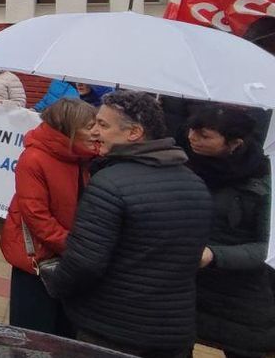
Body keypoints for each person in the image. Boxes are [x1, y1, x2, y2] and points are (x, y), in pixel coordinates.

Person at [41, 91, 213, 358]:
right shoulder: (196, 184)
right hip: (174, 333)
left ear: (134, 133)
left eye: (103, 125)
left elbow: (84, 262)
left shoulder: (110, 183)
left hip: (111, 333)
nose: (95, 131)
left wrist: (58, 287)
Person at [181, 106, 275, 358]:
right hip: (187, 288)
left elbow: (265, 247)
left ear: (234, 143)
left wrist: (214, 255)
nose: (192, 137)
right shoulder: (184, 167)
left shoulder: (263, 182)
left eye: (204, 135)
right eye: (192, 129)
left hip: (239, 295)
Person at [0, 99, 98, 337]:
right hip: (39, 260)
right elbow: (36, 215)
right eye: (89, 125)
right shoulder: (34, 158)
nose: (96, 132)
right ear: (67, 128)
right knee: (34, 332)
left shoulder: (87, 158)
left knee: (65, 332)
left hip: (72, 257)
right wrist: (74, 246)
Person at [33, 80, 112, 112]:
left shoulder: (100, 82)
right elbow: (47, 100)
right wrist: (35, 110)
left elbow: (98, 104)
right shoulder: (60, 78)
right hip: (51, 122)